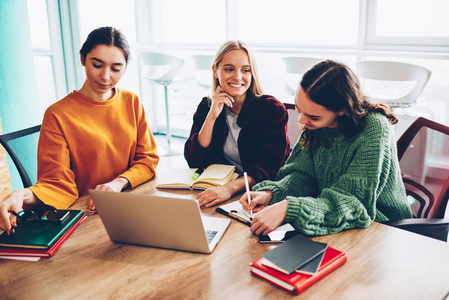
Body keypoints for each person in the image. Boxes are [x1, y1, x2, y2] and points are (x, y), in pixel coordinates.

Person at [0, 26, 159, 235]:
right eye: (97, 65)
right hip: (87, 218)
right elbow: (57, 183)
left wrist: (118, 183)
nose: (105, 76)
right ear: (83, 59)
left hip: (132, 207)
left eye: (116, 68)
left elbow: (148, 159)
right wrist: (20, 195)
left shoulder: (132, 102)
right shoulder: (58, 115)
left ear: (125, 68)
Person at [239, 60, 413, 236]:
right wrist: (272, 193)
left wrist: (289, 208)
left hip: (382, 227)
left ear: (342, 109)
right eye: (299, 109)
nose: (301, 120)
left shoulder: (374, 128)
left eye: (313, 116)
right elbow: (303, 174)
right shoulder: (318, 126)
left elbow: (353, 203)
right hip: (338, 219)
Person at [184, 40, 290, 207]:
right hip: (221, 189)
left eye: (245, 70)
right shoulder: (207, 106)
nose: (237, 77)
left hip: (262, 192)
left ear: (252, 73)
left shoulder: (272, 110)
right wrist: (211, 117)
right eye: (229, 69)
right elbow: (194, 160)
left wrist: (228, 189)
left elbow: (268, 168)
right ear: (215, 71)